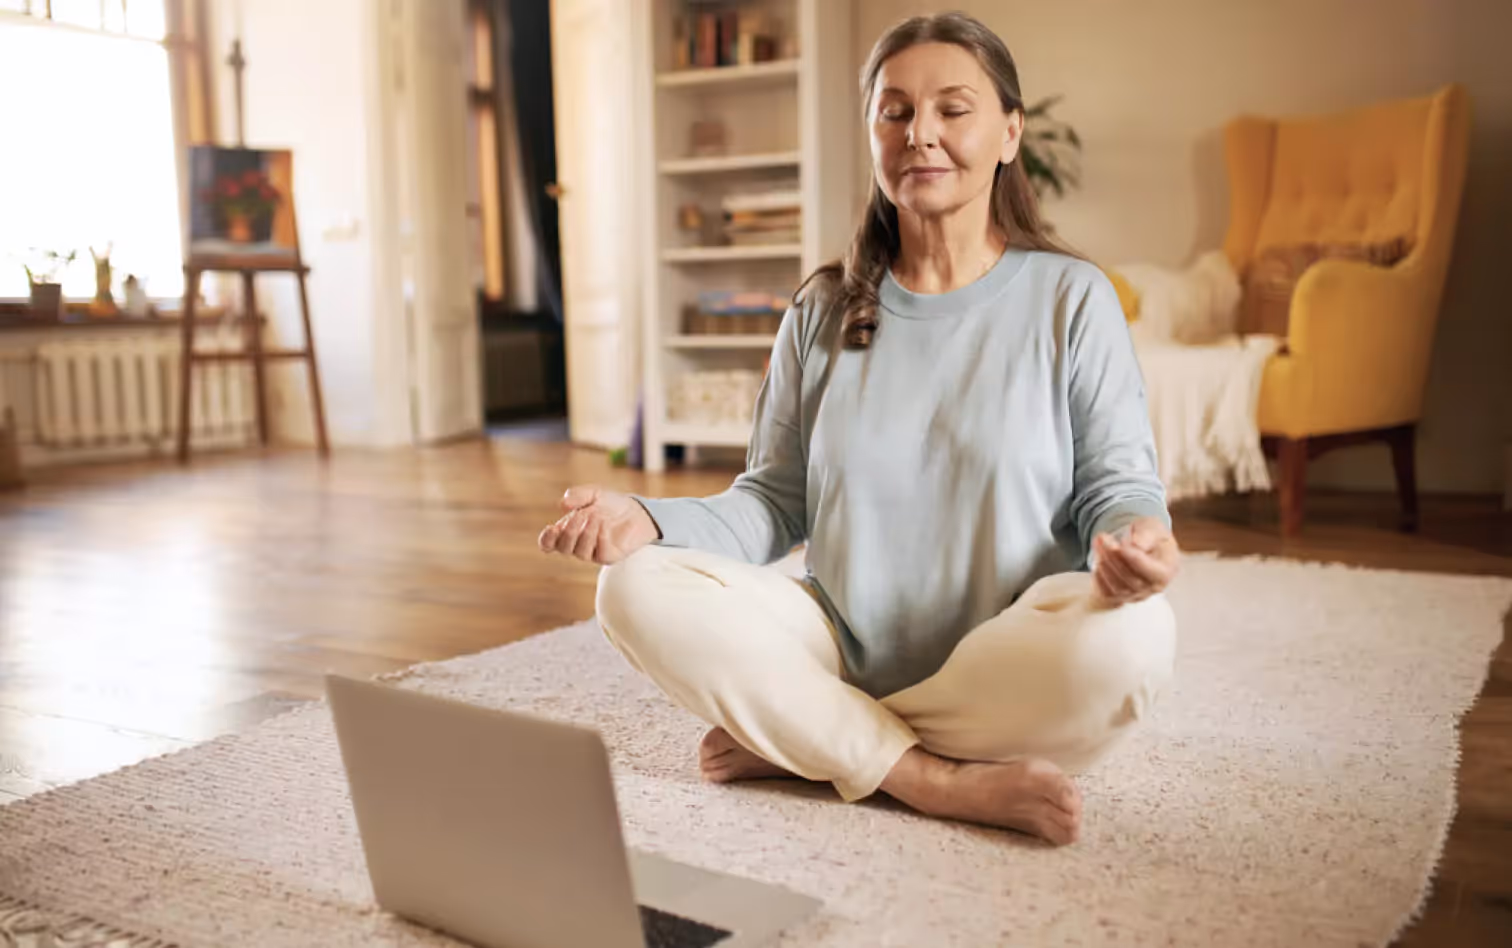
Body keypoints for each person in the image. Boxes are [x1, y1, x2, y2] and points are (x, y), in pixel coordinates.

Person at [538, 12, 1180, 847]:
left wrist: (1139, 541)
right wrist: (647, 520)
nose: (921, 134)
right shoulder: (823, 307)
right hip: (838, 644)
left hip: (1006, 658)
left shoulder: (1071, 297)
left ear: (1009, 132)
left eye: (953, 110)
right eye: (895, 111)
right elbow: (772, 502)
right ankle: (927, 777)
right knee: (629, 587)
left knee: (1135, 642)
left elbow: (1117, 484)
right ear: (872, 131)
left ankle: (817, 737)